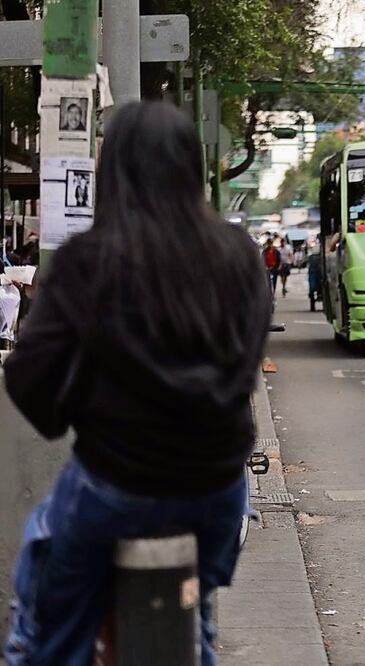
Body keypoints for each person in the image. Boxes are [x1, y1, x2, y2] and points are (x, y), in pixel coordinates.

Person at [2, 101, 271, 665]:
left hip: (113, 487)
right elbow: (245, 366)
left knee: (44, 631)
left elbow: (30, 375)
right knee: (193, 624)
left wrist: (77, 410)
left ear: (114, 172)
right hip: (218, 495)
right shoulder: (239, 256)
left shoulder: (89, 258)